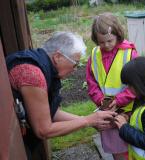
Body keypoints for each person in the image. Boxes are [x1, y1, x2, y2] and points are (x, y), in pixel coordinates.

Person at [6, 31, 117, 160]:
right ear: (58, 56)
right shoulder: (32, 75)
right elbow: (43, 130)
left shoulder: (43, 66)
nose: (75, 68)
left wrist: (89, 120)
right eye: (75, 63)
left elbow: (51, 113)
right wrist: (87, 120)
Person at [86, 12, 138, 160]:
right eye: (101, 42)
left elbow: (137, 84)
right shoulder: (95, 55)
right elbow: (91, 83)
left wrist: (119, 100)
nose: (106, 45)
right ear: (96, 40)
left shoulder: (129, 53)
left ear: (118, 34)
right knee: (117, 150)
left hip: (128, 111)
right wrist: (100, 100)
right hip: (107, 111)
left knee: (133, 147)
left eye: (110, 40)